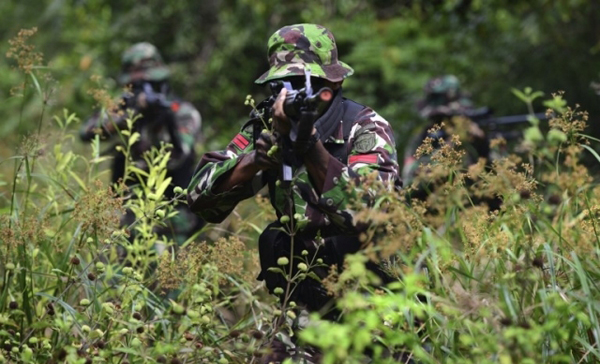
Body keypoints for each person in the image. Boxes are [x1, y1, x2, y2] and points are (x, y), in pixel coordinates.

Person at [187, 24, 401, 363]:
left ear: (334, 83)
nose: (291, 95)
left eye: (307, 85)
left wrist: (310, 146)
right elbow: (199, 199)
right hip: (306, 306)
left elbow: (370, 211)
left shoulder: (365, 128)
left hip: (374, 304)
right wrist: (255, 161)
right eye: (280, 86)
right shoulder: (266, 126)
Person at [80, 42, 204, 246]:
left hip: (172, 212)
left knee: (170, 273)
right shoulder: (125, 109)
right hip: (128, 211)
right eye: (137, 86)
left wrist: (162, 119)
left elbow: (179, 156)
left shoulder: (183, 113)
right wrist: (130, 114)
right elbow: (86, 132)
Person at [402, 75, 491, 199]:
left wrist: (483, 145)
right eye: (441, 120)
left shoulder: (480, 134)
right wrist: (448, 149)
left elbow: (504, 177)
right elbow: (409, 186)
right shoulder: (422, 139)